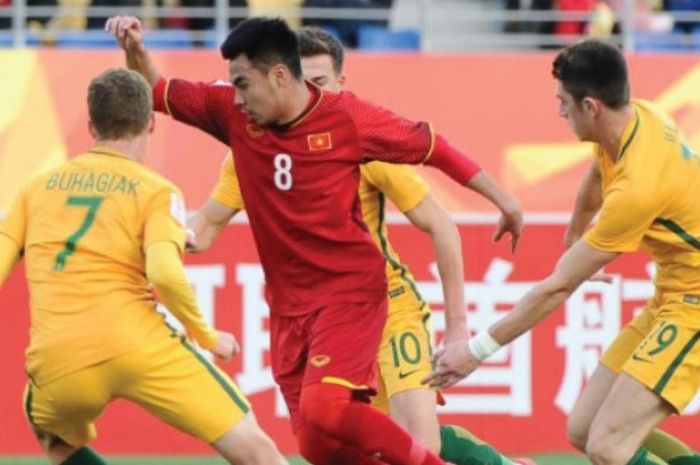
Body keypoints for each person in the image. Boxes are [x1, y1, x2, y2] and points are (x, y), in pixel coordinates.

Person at [105, 14, 515, 465]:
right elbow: (160, 94)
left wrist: (504, 202)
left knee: (368, 422)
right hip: (290, 309)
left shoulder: (352, 123)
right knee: (319, 446)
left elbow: (436, 151)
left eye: (243, 84)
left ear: (282, 76)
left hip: (356, 295)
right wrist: (136, 49)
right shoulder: (237, 122)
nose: (235, 97)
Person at [425, 39, 700, 465]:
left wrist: (476, 351)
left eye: (562, 103)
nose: (559, 112)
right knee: (584, 429)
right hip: (672, 292)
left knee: (608, 447)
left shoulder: (638, 189)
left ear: (590, 106)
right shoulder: (634, 119)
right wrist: (574, 233)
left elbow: (556, 289)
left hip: (694, 304)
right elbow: (597, 170)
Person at [0, 68, 288, 465]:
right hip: (140, 344)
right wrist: (208, 337)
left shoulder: (36, 189)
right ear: (150, 122)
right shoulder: (156, 191)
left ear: (90, 125)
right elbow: (165, 274)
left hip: (60, 354)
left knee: (55, 438)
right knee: (256, 450)